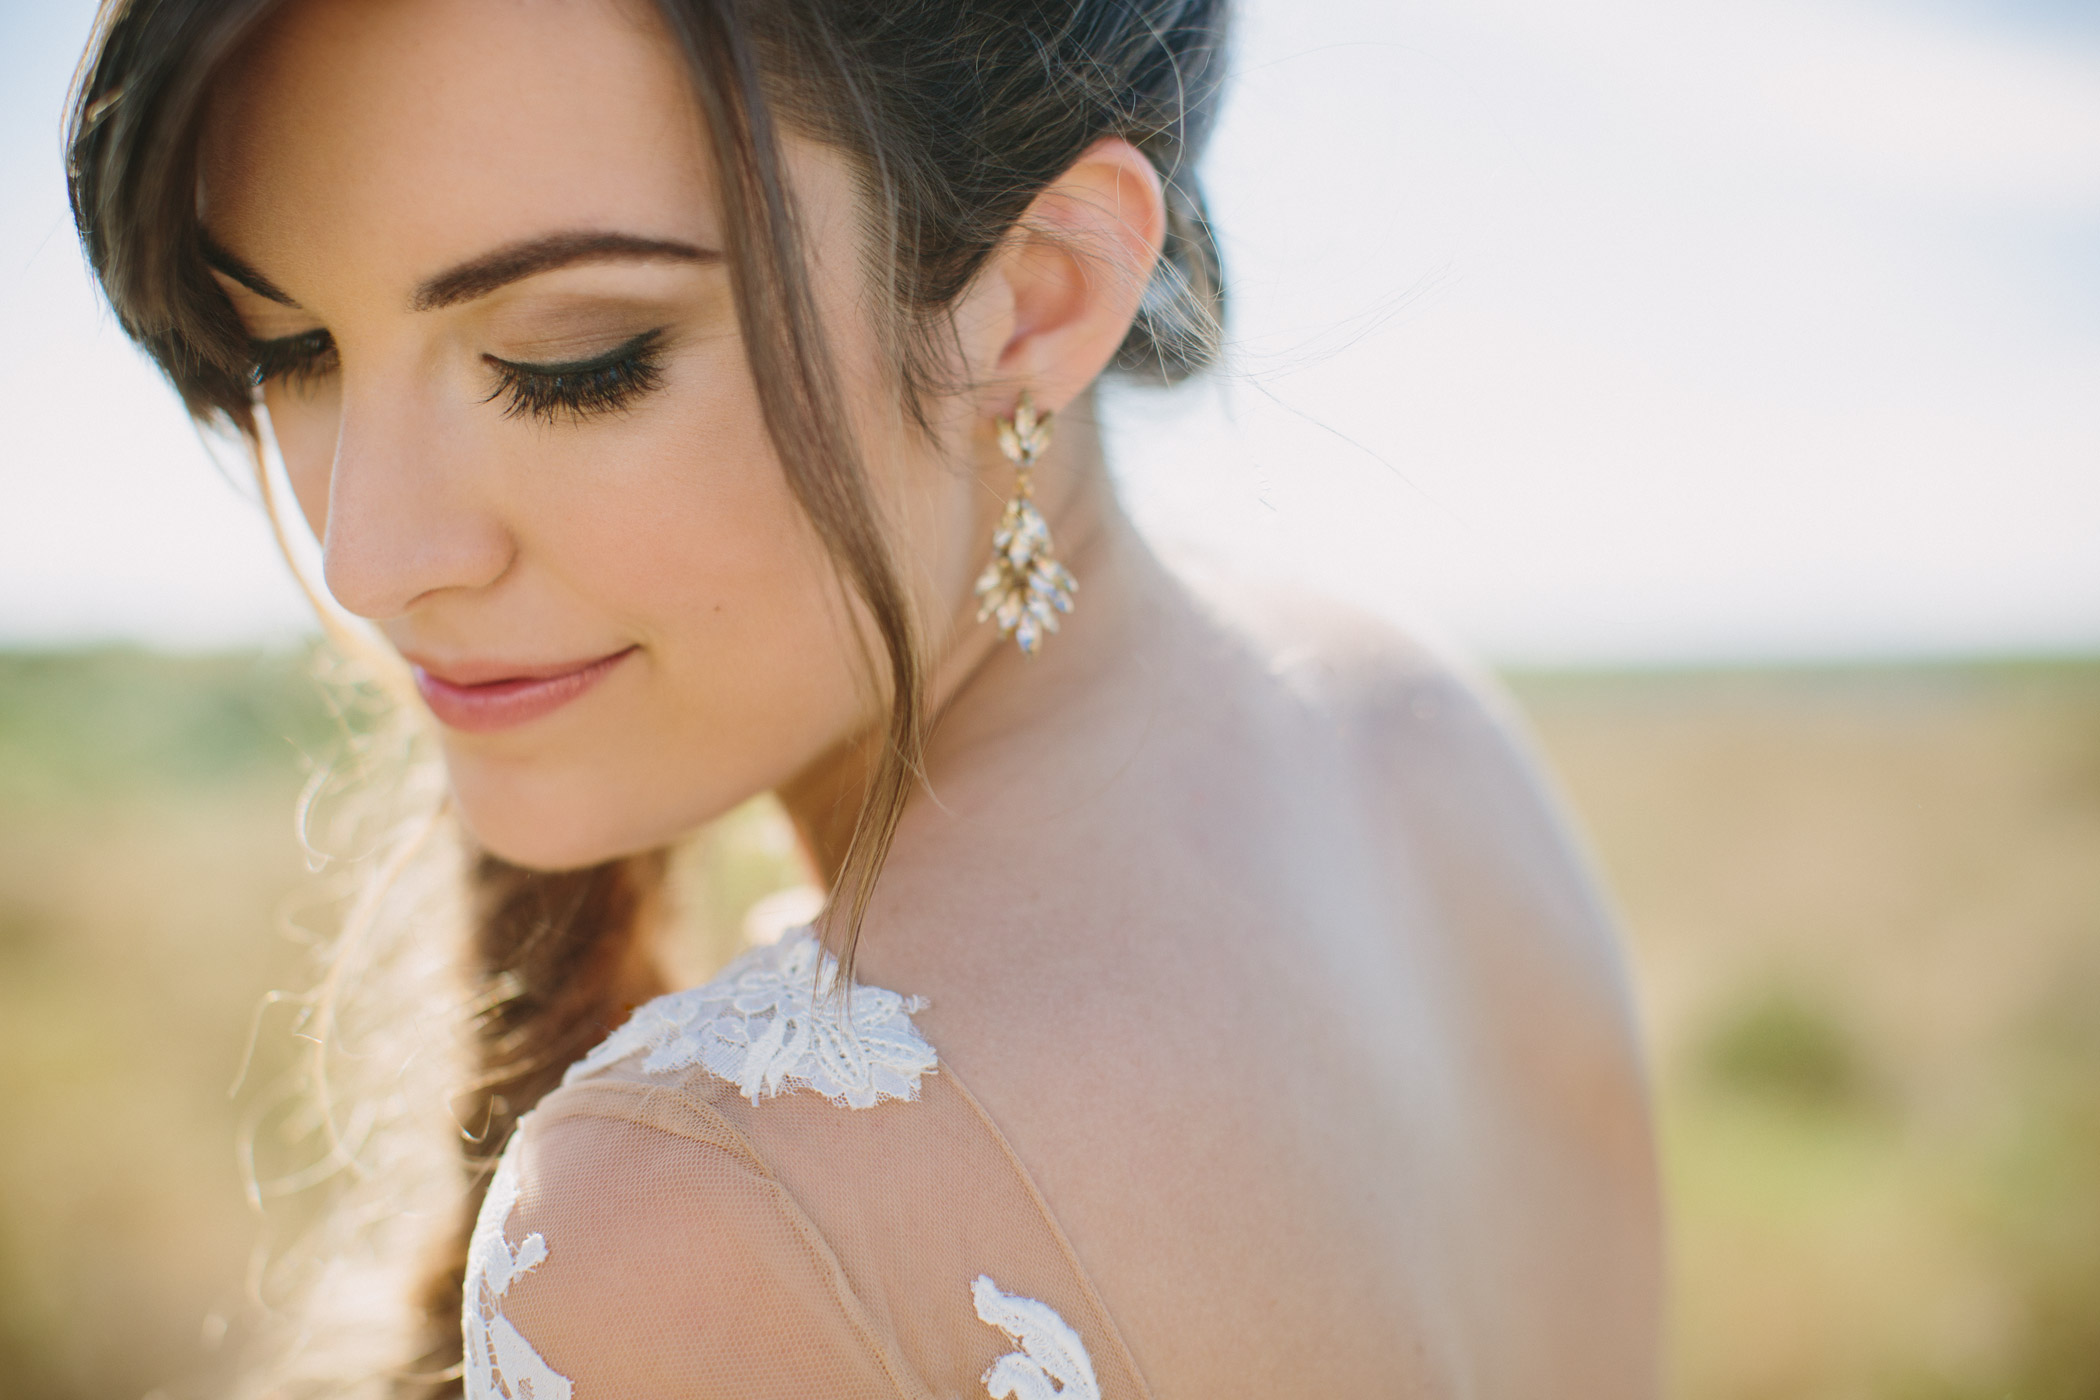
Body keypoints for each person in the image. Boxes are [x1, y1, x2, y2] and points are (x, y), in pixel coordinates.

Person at [68, 0, 1662, 1395]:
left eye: (578, 360)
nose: (371, 554)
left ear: (1035, 295)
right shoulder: (1419, 730)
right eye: (286, 348)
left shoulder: (704, 1212)